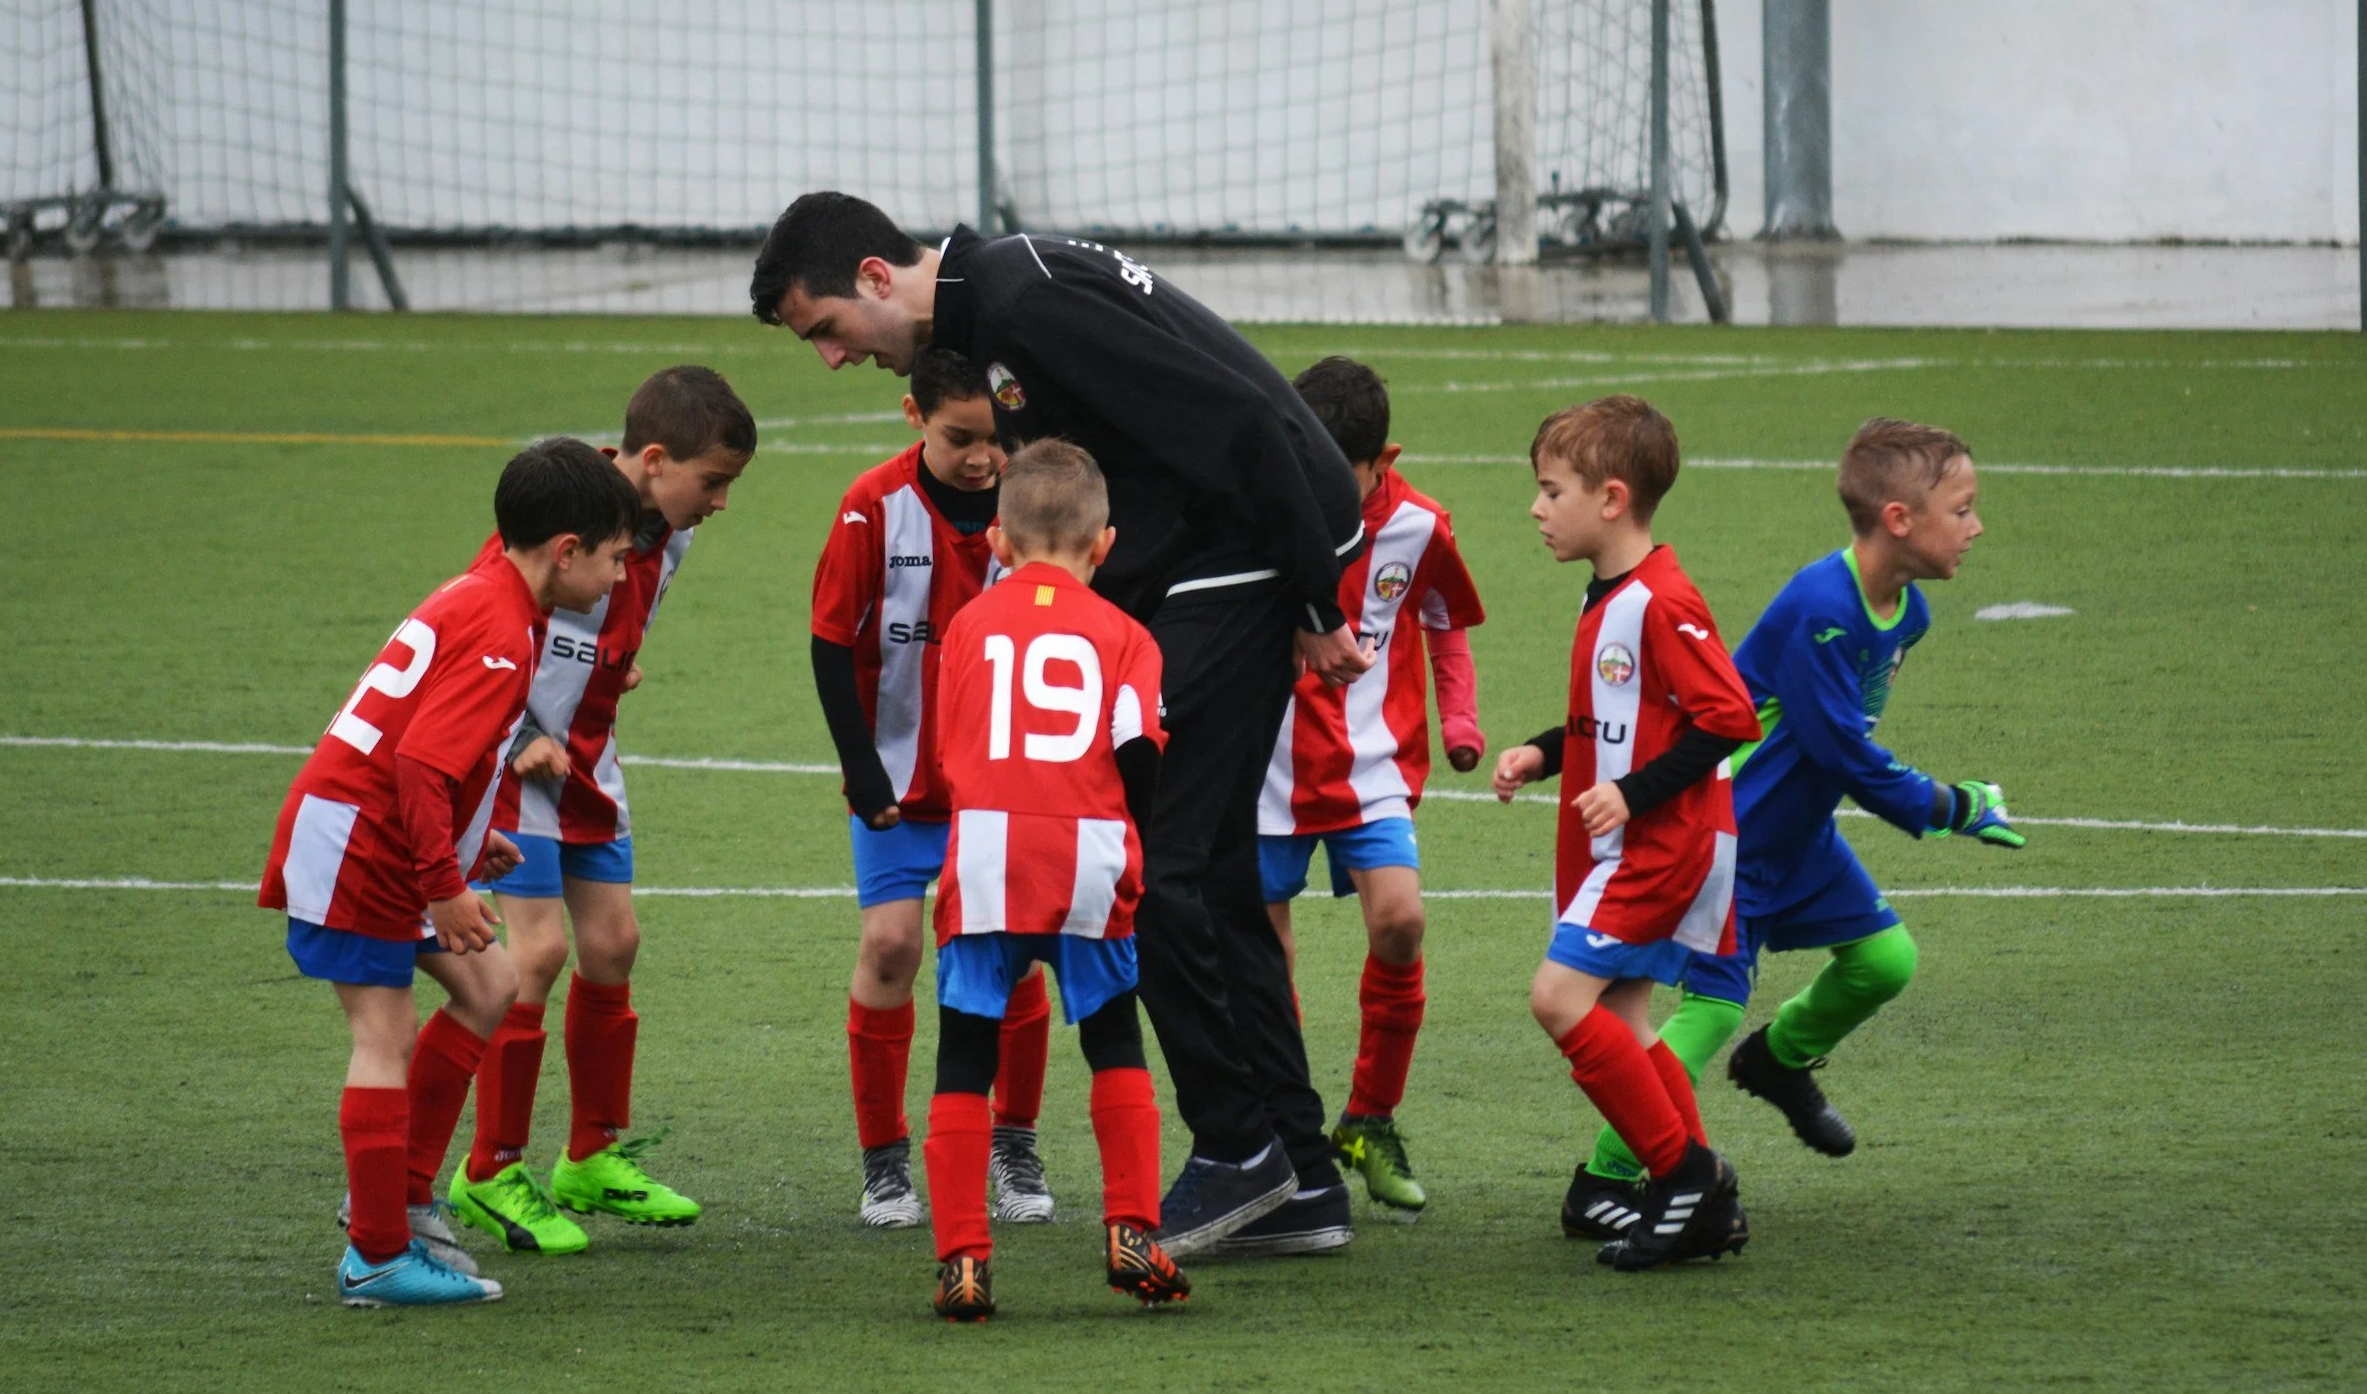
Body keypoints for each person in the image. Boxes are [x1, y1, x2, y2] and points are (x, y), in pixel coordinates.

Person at [752, 192, 1369, 1258]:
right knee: (1214, 868)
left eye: (825, 332)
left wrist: (1315, 601)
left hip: (1258, 549)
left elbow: (1241, 418)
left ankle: (1236, 1147)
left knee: (1154, 861)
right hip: (1229, 551)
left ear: (870, 278)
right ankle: (1299, 1173)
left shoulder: (1022, 304)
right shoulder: (996, 304)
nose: (833, 359)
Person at [1564, 419, 2021, 1236]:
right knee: (1701, 1017)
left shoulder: (1907, 614)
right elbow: (1840, 749)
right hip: (1730, 844)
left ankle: (1778, 1061)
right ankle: (1604, 1174)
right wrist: (1948, 805)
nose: (1977, 526)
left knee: (1885, 960)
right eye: (1964, 508)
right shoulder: (1823, 609)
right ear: (1899, 520)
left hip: (1801, 839)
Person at [259, 437, 640, 1308]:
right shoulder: (505, 630)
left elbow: (432, 753)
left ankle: (406, 1195)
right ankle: (377, 1256)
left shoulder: (495, 599)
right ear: (567, 551)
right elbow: (420, 768)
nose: (622, 579)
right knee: (382, 1037)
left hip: (386, 836)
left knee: (489, 983)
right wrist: (445, 882)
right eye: (617, 559)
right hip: (363, 843)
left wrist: (472, 849)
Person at [442, 368, 756, 1257]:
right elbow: (481, 626)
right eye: (714, 482)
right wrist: (517, 737)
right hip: (517, 762)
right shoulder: (563, 507)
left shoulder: (670, 536)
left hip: (588, 760)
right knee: (534, 953)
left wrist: (607, 673)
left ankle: (591, 1156)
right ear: (653, 462)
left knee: (613, 945)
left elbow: (603, 630)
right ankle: (490, 1169)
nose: (722, 502)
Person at [1488, 396, 1762, 1272]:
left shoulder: (1662, 600)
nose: (1536, 508)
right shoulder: (1611, 593)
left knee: (1557, 999)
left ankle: (1683, 1176)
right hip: (1633, 838)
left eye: (1550, 490)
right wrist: (1542, 751)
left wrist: (1632, 794)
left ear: (1611, 499)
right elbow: (1618, 714)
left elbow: (1728, 717)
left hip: (1659, 843)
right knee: (1627, 1022)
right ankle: (1702, 1200)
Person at [921, 440, 1186, 1320]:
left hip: (989, 851)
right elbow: (1137, 751)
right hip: (1086, 854)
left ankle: (962, 1258)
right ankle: (1132, 1231)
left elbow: (951, 750)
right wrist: (1127, 837)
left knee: (965, 1054)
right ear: (1104, 545)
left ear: (997, 542)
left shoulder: (968, 626)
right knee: (1113, 1039)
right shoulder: (1126, 635)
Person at [808, 346, 1057, 1230]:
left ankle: (1015, 1145)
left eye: (996, 438)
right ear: (915, 419)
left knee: (1013, 954)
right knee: (889, 949)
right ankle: (884, 1164)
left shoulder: (1032, 512)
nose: (985, 458)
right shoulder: (870, 508)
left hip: (1001, 782)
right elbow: (832, 643)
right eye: (962, 439)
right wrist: (861, 764)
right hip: (896, 782)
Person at [1255, 356, 1485, 1227]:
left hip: (1371, 768)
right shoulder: (1261, 511)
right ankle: (1285, 1132)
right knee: (1264, 966)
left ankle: (1370, 1119)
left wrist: (1458, 718)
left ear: (1383, 458)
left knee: (1401, 921)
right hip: (1264, 769)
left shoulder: (1421, 527)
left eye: (1336, 472)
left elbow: (1444, 621)